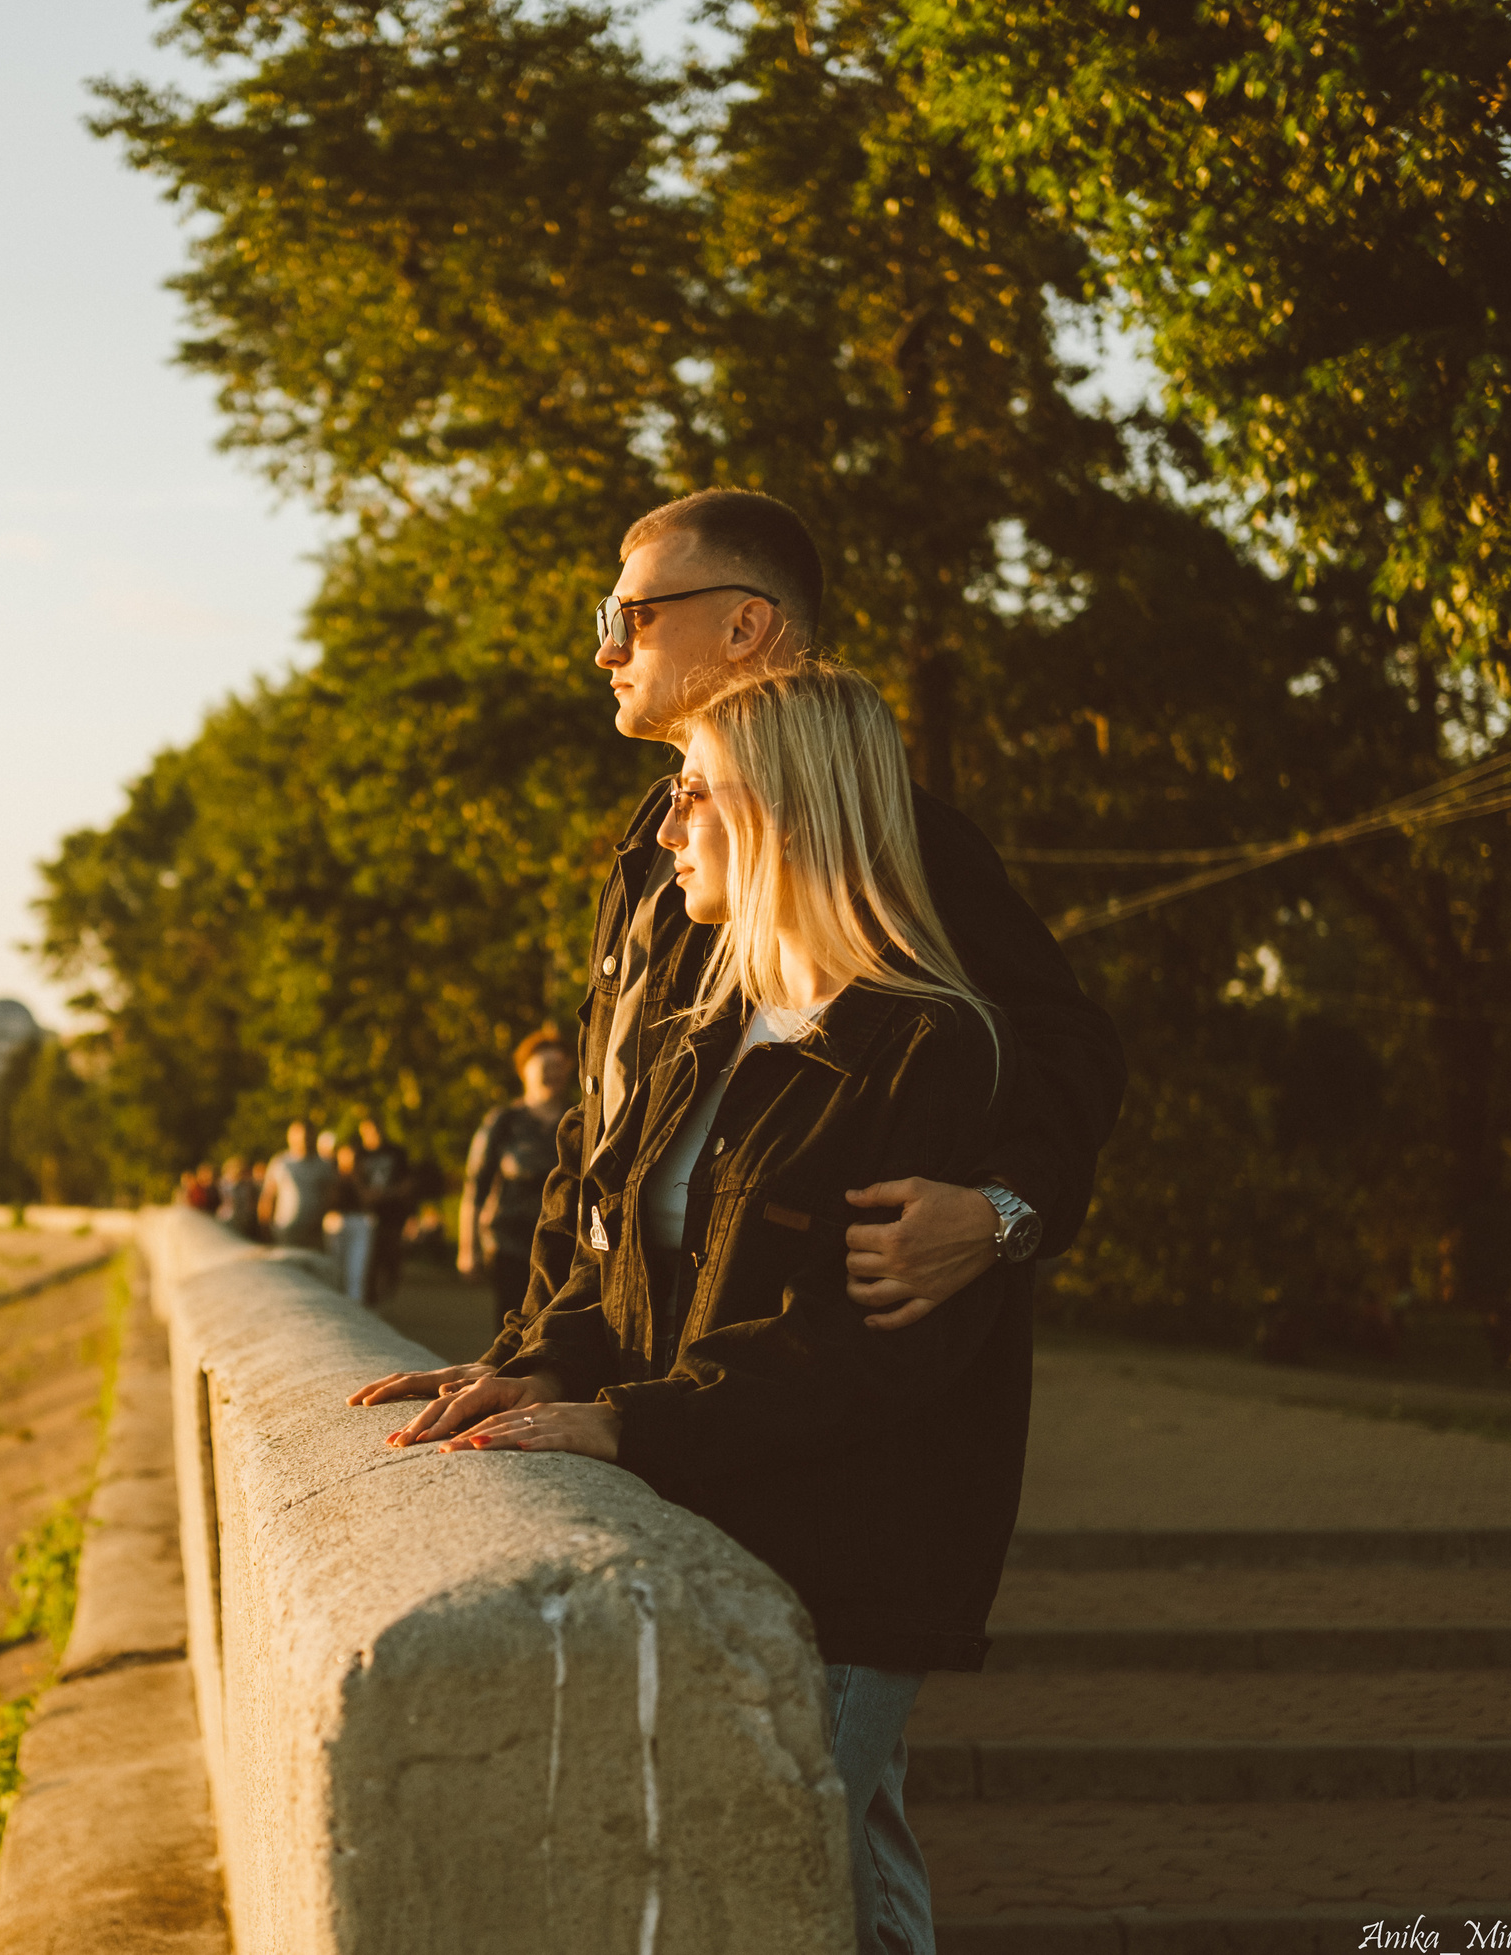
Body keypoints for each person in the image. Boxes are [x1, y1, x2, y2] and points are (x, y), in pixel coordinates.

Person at [395, 661, 1033, 1954]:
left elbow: (862, 1352)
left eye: (697, 790)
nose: (668, 822)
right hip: (706, 1516)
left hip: (846, 1562)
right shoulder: (706, 1029)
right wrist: (542, 1364)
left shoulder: (928, 1047)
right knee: (815, 1879)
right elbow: (619, 1248)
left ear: (789, 809)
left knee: (800, 1878)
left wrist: (628, 1421)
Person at [356, 487, 1122, 1403]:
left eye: (631, 615)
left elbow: (1064, 1051)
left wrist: (1002, 1214)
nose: (606, 648)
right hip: (637, 1386)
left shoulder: (882, 841)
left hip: (804, 1457)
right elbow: (602, 1134)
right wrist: (525, 1355)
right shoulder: (658, 845)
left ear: (745, 625)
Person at [458, 1030, 574, 1330]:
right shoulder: (504, 1121)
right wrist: (468, 1249)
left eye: (559, 1066)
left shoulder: (578, 1121)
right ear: (525, 1071)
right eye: (544, 1066)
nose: (553, 1073)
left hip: (564, 1248)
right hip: (511, 1246)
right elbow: (475, 1187)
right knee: (511, 1328)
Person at [350, 1116, 414, 1304]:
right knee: (369, 1261)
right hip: (367, 1217)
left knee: (391, 1260)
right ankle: (370, 1301)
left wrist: (385, 1194)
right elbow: (360, 1189)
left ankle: (384, 1298)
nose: (373, 1135)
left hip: (393, 1216)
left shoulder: (397, 1153)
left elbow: (407, 1186)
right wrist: (386, 1193)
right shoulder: (360, 1154)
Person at [258, 1119, 337, 1251]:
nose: (304, 1140)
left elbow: (332, 1198)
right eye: (300, 1136)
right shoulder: (281, 1163)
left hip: (314, 1233)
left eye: (308, 1135)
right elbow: (268, 1196)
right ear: (290, 1137)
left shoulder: (324, 1165)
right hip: (286, 1232)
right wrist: (264, 1228)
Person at [326, 1140, 374, 1303]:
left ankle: (355, 1309)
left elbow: (368, 1200)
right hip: (335, 1222)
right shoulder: (330, 1174)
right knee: (335, 1271)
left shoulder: (365, 1176)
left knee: (356, 1272)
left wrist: (356, 1178)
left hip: (360, 1222)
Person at [216, 1156, 262, 1241]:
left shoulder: (247, 1184)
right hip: (228, 1218)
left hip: (245, 1217)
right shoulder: (223, 1184)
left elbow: (252, 1199)